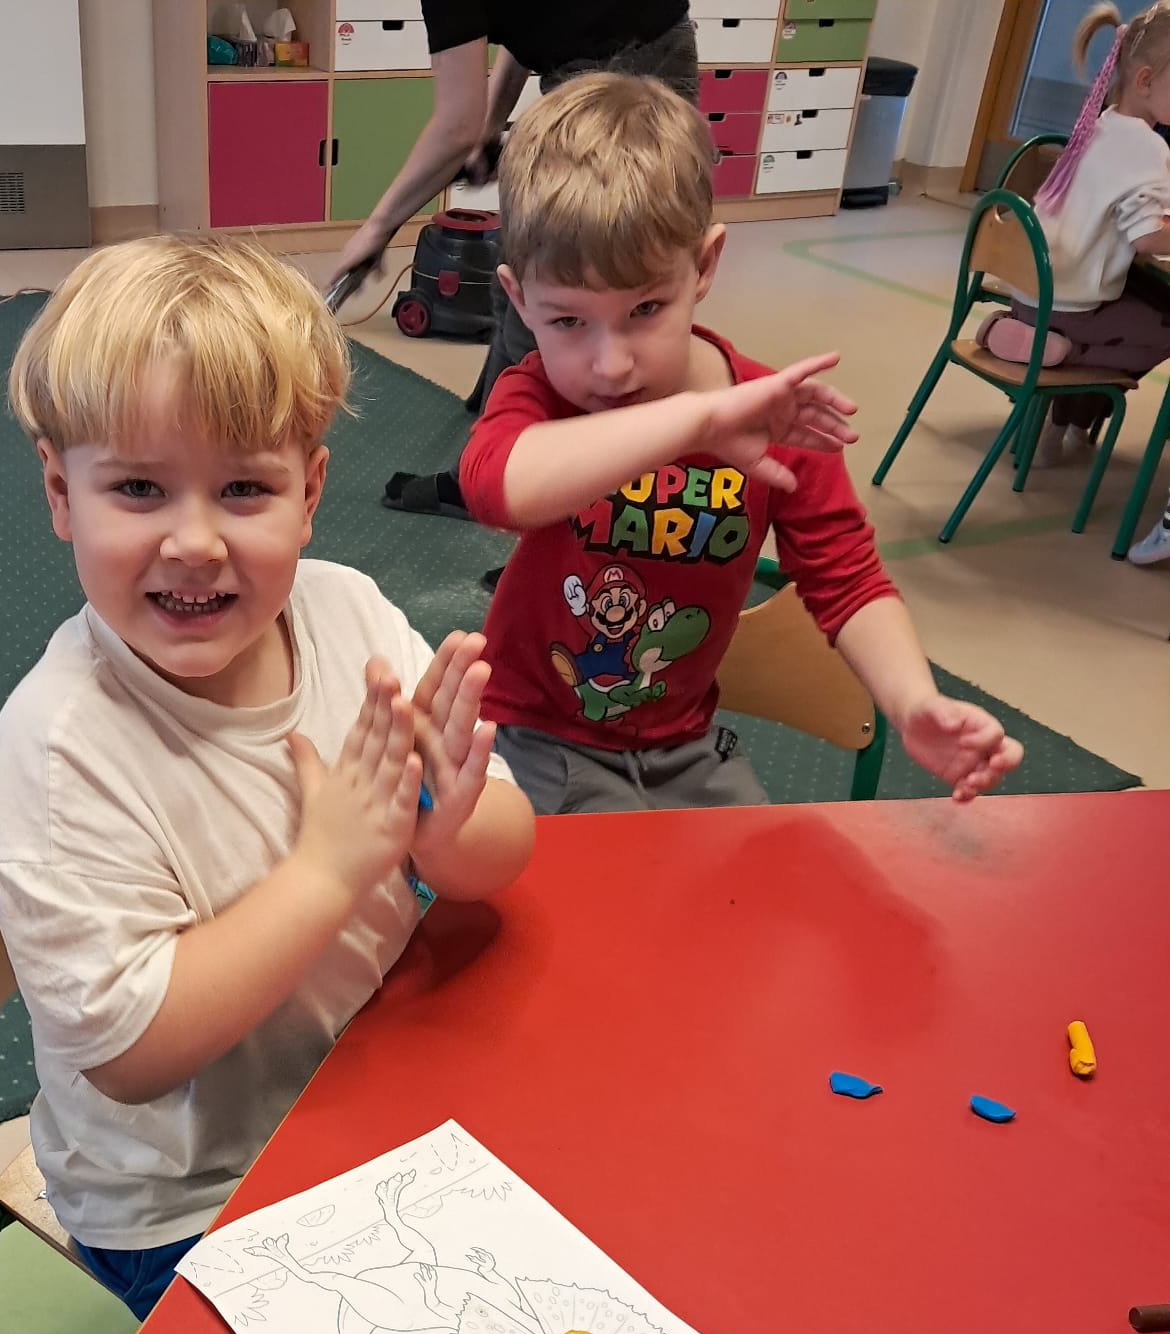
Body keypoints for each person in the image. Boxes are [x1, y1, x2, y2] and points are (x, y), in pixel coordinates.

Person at [0, 236, 535, 1334]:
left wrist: (446, 829)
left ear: (311, 490)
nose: (194, 540)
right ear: (59, 493)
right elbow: (130, 1051)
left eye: (243, 487)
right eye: (137, 488)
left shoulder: (349, 617)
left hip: (370, 1098)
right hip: (184, 1188)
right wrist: (331, 870)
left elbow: (504, 848)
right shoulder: (60, 752)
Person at [457, 73, 1024, 816]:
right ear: (519, 298)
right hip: (536, 738)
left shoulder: (773, 414)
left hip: (686, 745)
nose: (611, 364)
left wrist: (913, 700)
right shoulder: (538, 393)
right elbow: (496, 487)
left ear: (704, 266)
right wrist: (695, 422)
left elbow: (845, 575)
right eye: (568, 321)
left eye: (645, 309)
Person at [327, 1, 699, 524]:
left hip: (634, 64)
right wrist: (492, 125)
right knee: (522, 273)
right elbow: (530, 26)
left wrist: (377, 228)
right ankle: (497, 435)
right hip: (606, 55)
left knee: (562, 297)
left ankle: (534, 492)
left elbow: (455, 127)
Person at [972, 1, 1170, 563]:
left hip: (1031, 293)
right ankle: (1064, 363)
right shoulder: (1148, 145)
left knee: (1135, 303)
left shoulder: (1098, 123)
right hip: (1071, 311)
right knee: (1160, 327)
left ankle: (1055, 409)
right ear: (1146, 80)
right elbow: (1148, 240)